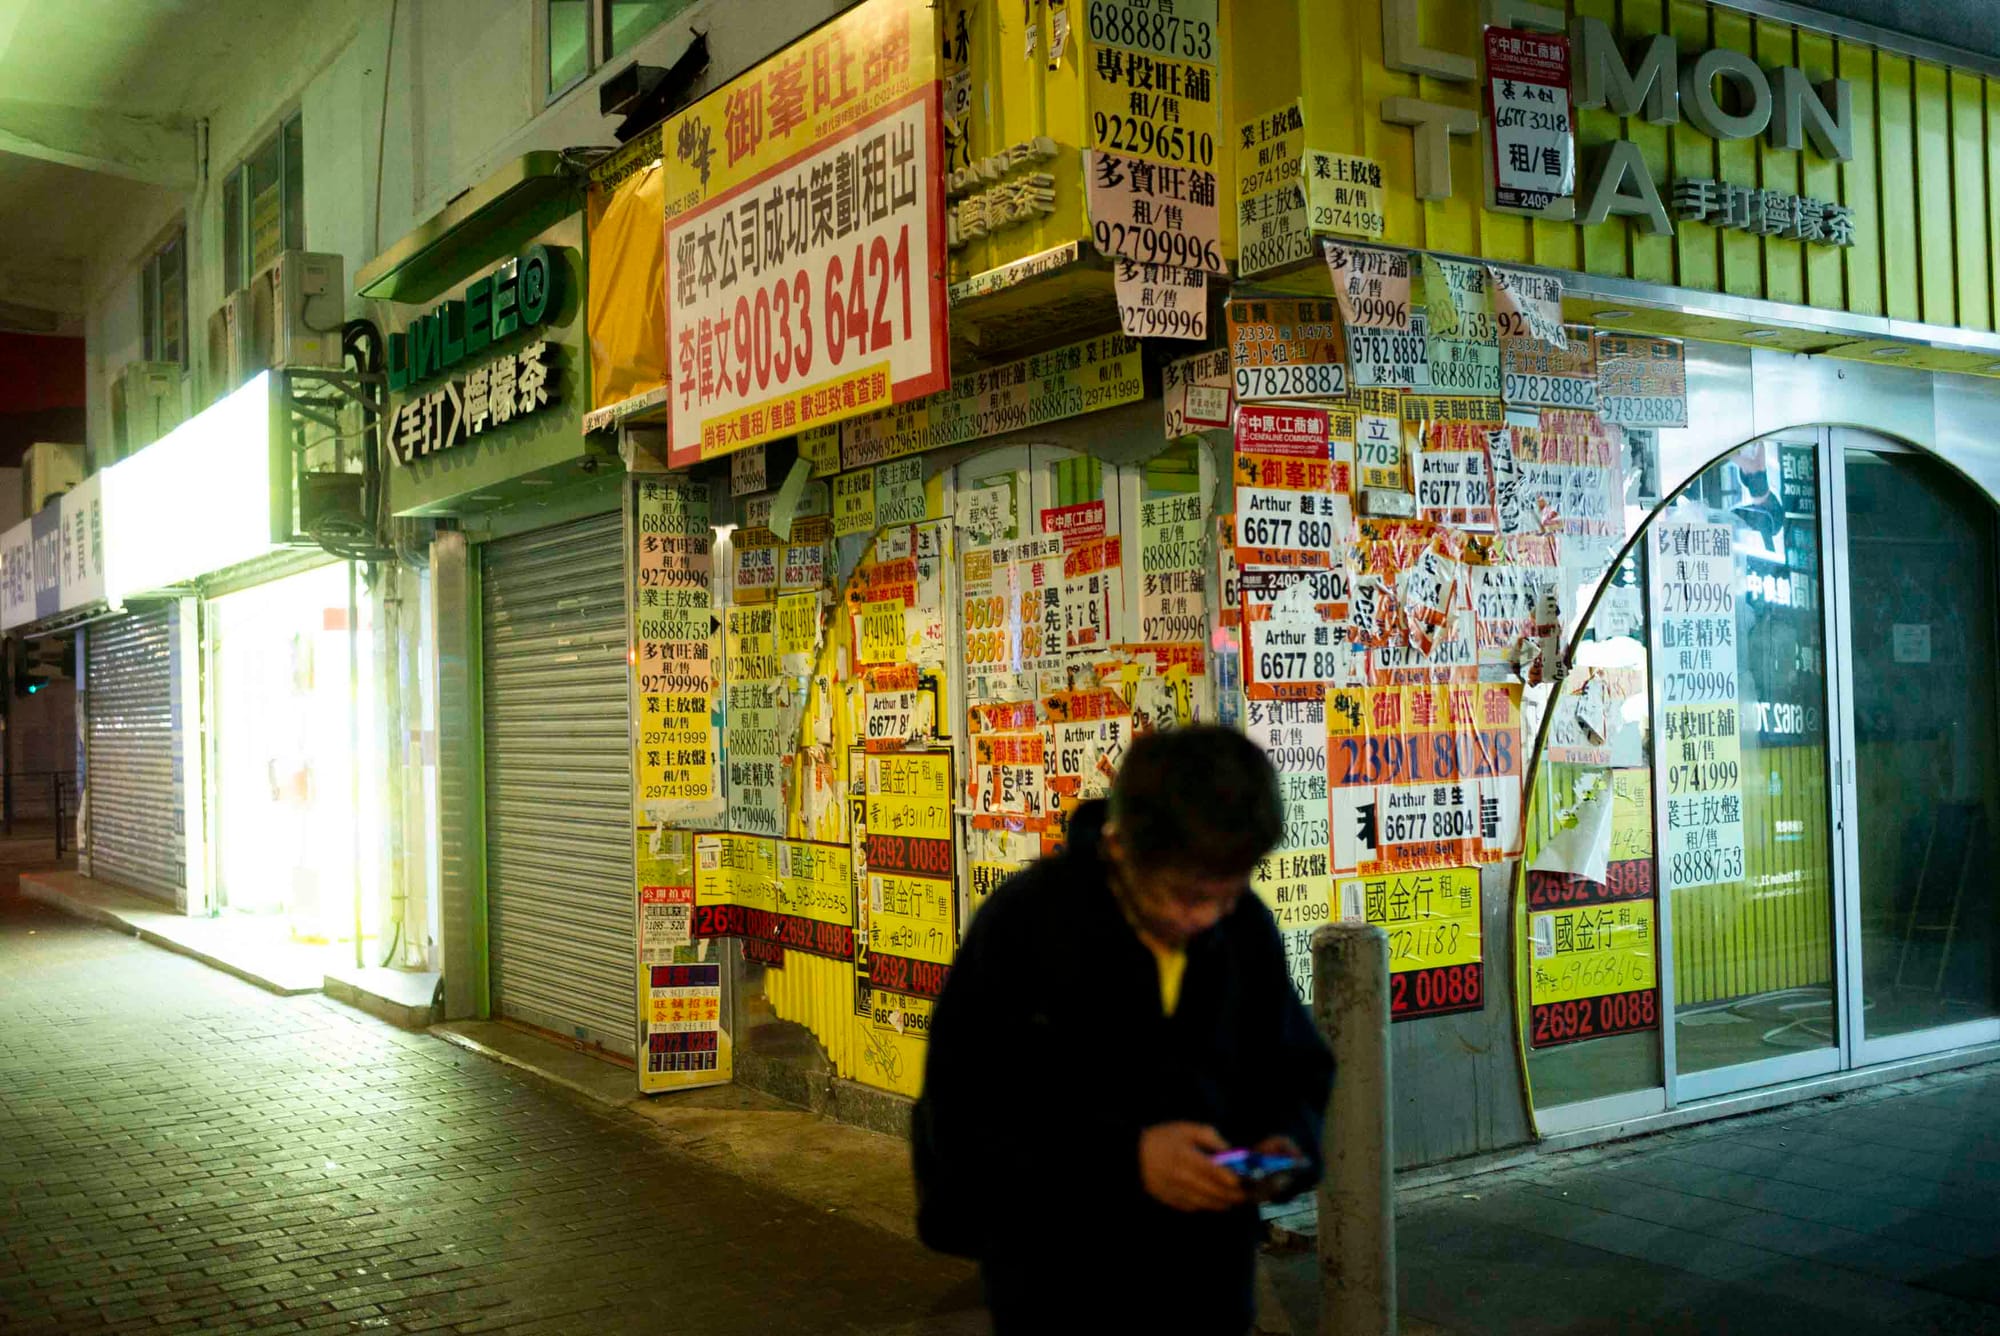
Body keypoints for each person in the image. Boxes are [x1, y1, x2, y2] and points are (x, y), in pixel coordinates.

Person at [912, 726, 1335, 1334]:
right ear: (1122, 847)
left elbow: (1294, 1068)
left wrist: (1284, 1146)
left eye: (1228, 891)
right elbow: (964, 1120)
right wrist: (1128, 1161)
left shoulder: (1242, 926)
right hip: (1060, 1293)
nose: (1208, 917)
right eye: (1187, 895)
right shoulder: (1026, 925)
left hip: (1207, 1291)